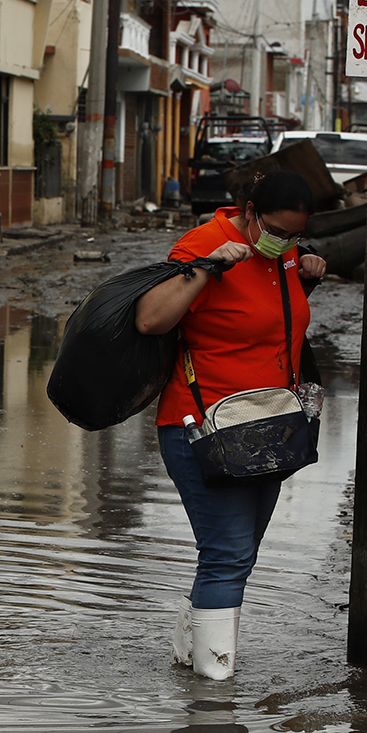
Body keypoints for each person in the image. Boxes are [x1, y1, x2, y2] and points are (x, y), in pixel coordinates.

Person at [135, 171, 327, 680]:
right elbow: (151, 320)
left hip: (267, 427)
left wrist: (303, 274)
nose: (284, 242)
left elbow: (263, 325)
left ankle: (189, 654)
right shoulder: (203, 244)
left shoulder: (283, 254)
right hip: (202, 429)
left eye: (295, 235)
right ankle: (214, 706)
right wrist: (205, 269)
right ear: (248, 210)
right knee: (228, 554)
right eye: (277, 231)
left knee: (236, 556)